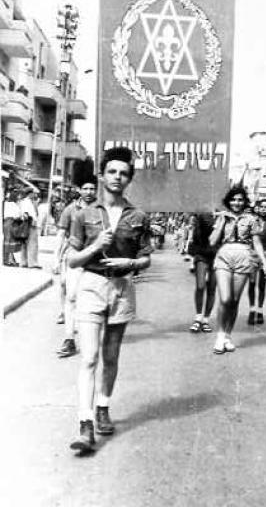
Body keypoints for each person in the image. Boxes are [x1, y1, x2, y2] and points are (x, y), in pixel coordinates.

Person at [68, 147, 152, 453]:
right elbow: (73, 260)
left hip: (121, 287)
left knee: (111, 356)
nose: (117, 177)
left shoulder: (138, 216)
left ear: (129, 179)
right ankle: (85, 422)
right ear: (102, 176)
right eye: (112, 172)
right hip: (91, 284)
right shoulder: (83, 214)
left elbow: (145, 259)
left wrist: (129, 264)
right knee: (89, 356)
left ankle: (103, 405)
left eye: (124, 173)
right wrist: (95, 248)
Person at [209, 186, 266, 354]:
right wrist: (221, 223)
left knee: (235, 301)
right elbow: (212, 241)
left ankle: (228, 336)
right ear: (229, 201)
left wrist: (264, 262)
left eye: (240, 200)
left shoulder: (251, 219)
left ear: (245, 202)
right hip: (224, 256)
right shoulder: (222, 217)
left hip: (244, 256)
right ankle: (220, 336)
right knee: (225, 298)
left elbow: (257, 242)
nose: (237, 202)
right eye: (234, 199)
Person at [54, 175, 98, 357]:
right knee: (71, 296)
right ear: (79, 190)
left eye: (92, 189)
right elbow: (61, 234)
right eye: (85, 188)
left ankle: (92, 336)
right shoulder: (70, 209)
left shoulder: (101, 210)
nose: (89, 192)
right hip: (75, 258)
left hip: (96, 261)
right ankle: (69, 339)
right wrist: (57, 258)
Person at [247, 199, 266, 325]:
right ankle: (252, 309)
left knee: (262, 285)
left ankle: (260, 310)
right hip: (252, 254)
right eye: (261, 206)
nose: (264, 209)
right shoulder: (251, 220)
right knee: (252, 283)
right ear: (257, 208)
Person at [188, 212, 217, 333]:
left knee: (211, 288)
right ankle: (198, 317)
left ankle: (206, 319)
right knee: (200, 286)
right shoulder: (198, 223)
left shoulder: (221, 220)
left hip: (217, 256)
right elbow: (193, 243)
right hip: (202, 256)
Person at [20, 188, 41, 268]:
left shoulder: (30, 202)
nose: (35, 195)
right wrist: (31, 220)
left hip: (28, 224)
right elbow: (25, 214)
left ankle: (24, 262)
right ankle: (32, 263)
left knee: (25, 244)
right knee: (33, 244)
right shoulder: (26, 202)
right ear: (30, 193)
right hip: (30, 225)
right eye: (33, 193)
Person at [3, 190, 22, 266]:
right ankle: (9, 260)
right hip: (12, 223)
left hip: (5, 223)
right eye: (18, 196)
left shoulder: (6, 204)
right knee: (10, 242)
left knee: (6, 242)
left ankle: (8, 259)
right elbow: (18, 215)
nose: (19, 198)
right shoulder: (14, 205)